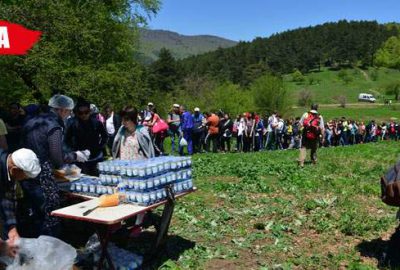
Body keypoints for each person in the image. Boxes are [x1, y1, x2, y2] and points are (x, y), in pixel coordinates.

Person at [21, 94, 90, 237]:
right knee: (49, 212)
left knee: (34, 213)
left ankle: (35, 246)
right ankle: (51, 248)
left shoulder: (31, 121)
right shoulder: (54, 125)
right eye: (69, 111)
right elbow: (57, 159)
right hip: (42, 174)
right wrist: (75, 156)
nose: (69, 115)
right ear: (62, 110)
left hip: (25, 172)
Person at [0, 148, 41, 257]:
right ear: (14, 169)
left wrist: (11, 228)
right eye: (24, 177)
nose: (24, 180)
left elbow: (7, 198)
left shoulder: (9, 170)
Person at [65, 99, 108, 176]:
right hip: (79, 159)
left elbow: (105, 136)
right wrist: (72, 151)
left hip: (95, 157)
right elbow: (66, 139)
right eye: (81, 113)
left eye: (86, 112)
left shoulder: (96, 123)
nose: (84, 115)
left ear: (90, 111)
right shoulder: (72, 123)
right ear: (77, 113)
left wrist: (100, 146)